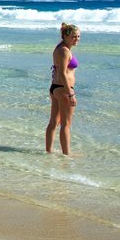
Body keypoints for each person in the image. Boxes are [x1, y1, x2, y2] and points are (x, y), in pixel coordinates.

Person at [46, 23, 81, 155]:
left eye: (78, 36)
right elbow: (62, 73)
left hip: (56, 88)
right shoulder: (64, 51)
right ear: (65, 36)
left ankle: (48, 151)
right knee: (65, 125)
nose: (76, 39)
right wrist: (70, 93)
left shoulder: (61, 48)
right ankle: (67, 154)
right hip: (63, 89)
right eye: (73, 36)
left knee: (54, 122)